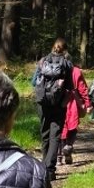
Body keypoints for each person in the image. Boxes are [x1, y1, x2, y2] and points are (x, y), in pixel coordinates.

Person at [32, 38, 75, 180]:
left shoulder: (43, 61)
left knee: (44, 134)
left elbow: (34, 82)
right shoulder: (67, 64)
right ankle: (50, 170)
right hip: (58, 104)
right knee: (55, 135)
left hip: (43, 102)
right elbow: (70, 87)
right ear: (65, 50)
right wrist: (64, 102)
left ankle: (44, 167)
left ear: (53, 47)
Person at [59, 65, 92, 165]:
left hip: (57, 103)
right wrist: (88, 103)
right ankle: (68, 146)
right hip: (72, 102)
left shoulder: (53, 68)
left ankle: (59, 156)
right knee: (72, 127)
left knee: (59, 128)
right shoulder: (76, 71)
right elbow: (83, 89)